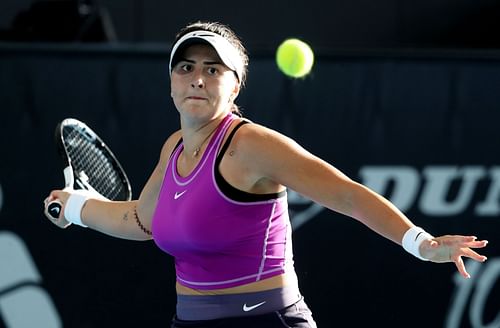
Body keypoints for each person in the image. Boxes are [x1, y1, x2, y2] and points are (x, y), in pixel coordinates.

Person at [43, 21, 489, 328]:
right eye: (187, 67)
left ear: (235, 85)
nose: (197, 78)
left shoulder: (251, 145)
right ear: (171, 82)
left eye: (213, 69)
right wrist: (76, 207)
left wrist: (422, 243)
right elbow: (140, 220)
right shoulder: (174, 148)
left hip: (264, 321)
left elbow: (346, 195)